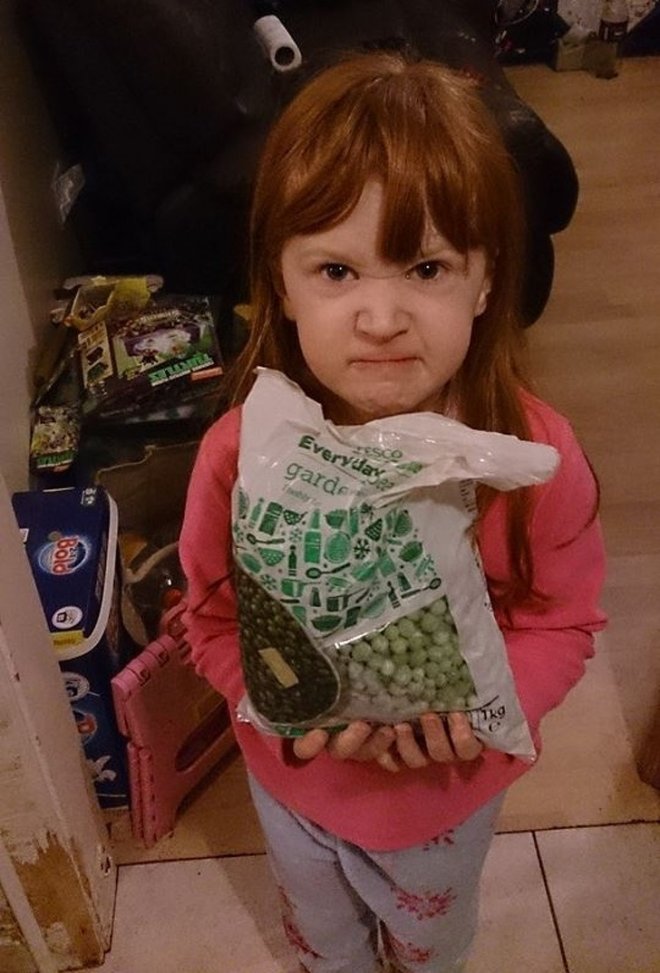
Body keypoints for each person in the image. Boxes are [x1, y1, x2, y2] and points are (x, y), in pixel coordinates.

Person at [179, 51, 607, 973]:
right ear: (281, 285)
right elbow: (210, 614)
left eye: (425, 266)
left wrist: (487, 707)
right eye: (336, 269)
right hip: (294, 782)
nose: (380, 316)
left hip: (448, 795)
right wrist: (277, 698)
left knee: (429, 946)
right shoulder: (240, 458)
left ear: (485, 282)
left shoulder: (527, 458)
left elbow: (564, 619)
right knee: (322, 937)